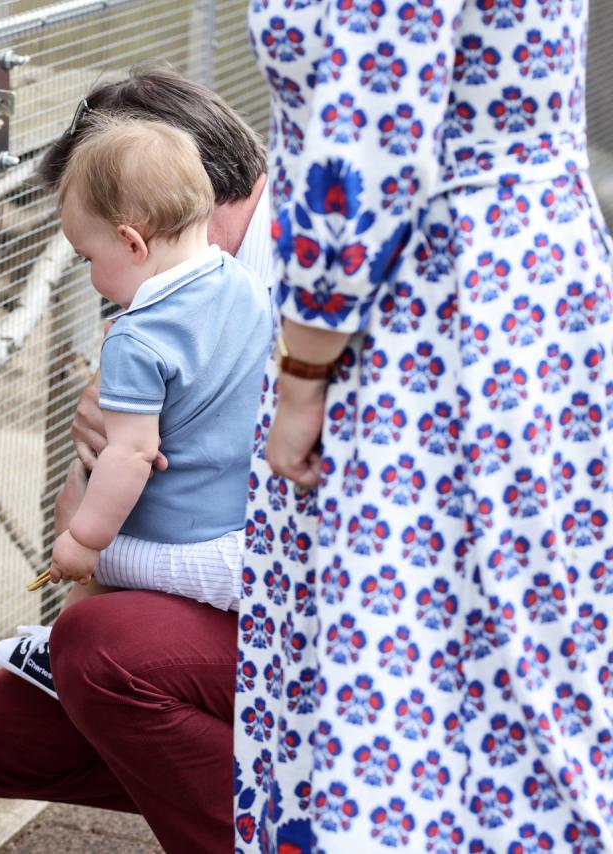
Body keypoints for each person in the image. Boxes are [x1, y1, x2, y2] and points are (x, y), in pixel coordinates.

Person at [237, 0, 613, 849]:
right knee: (516, 659)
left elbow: (373, 124)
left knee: (414, 679)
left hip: (432, 316)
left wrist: (304, 371)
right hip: (518, 286)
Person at [0, 66, 274, 852]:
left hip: (336, 608)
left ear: (143, 224)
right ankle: (289, 807)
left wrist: (91, 542)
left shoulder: (305, 272)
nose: (104, 287)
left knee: (106, 650)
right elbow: (103, 461)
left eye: (97, 255)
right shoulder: (180, 287)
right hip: (230, 576)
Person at [0, 117, 271, 699]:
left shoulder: (135, 338)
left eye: (88, 257)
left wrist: (84, 540)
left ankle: (56, 651)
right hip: (240, 509)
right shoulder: (244, 284)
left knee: (86, 570)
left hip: (179, 527)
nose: (92, 277)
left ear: (132, 242)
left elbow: (134, 451)